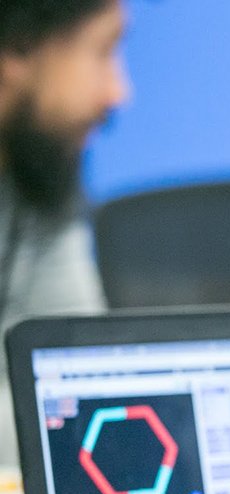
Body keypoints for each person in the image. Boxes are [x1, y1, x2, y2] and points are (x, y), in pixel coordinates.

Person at [0, 0, 129, 466]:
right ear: (15, 49)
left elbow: (77, 373)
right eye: (102, 51)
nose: (119, 92)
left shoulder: (40, 170)